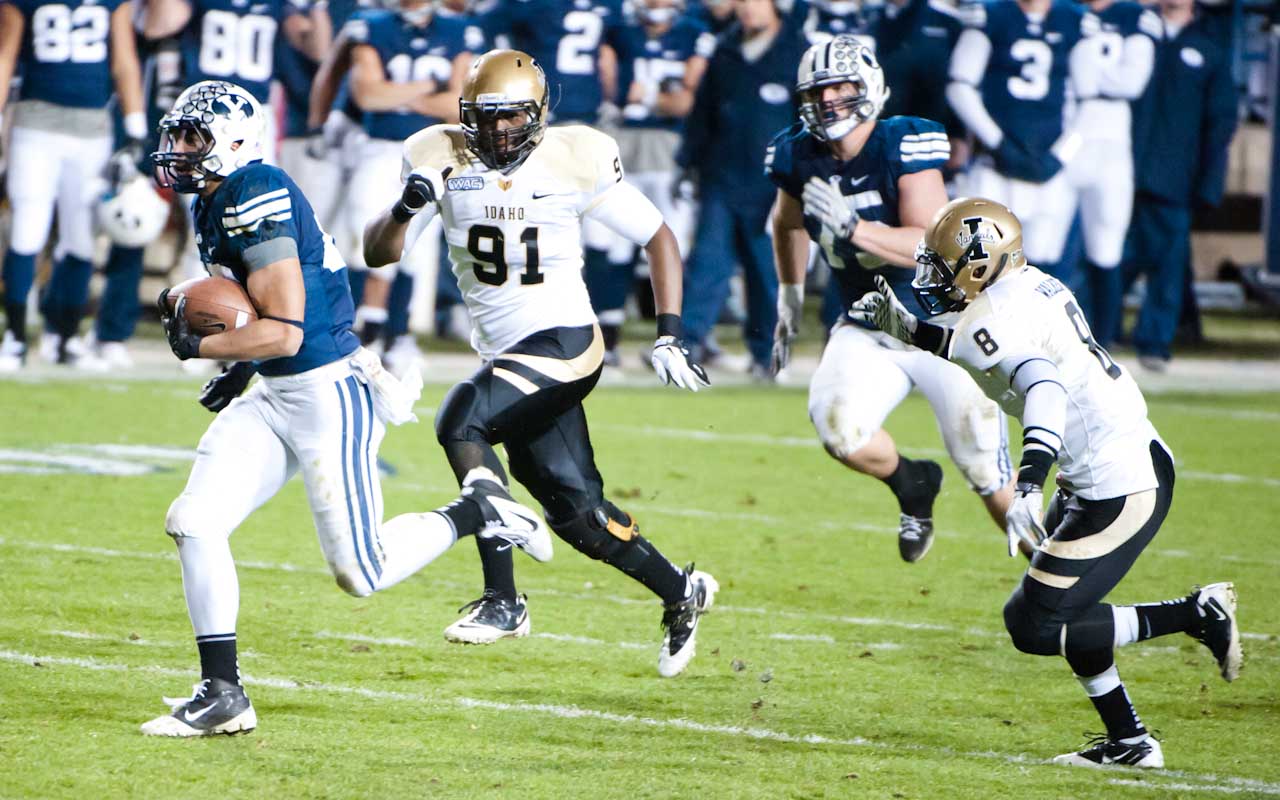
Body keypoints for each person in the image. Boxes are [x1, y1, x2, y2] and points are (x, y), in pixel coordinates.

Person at [140, 79, 551, 737]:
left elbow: (286, 330)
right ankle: (223, 693)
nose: (181, 149)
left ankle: (480, 509)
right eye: (179, 135)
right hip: (275, 392)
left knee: (362, 575)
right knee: (194, 520)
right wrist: (238, 363)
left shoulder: (254, 192)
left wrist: (202, 344)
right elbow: (264, 323)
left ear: (235, 141)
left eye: (194, 136)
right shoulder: (218, 199)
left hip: (329, 393)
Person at [363, 49, 719, 677]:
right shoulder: (436, 154)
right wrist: (407, 206)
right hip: (508, 356)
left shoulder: (573, 155)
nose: (500, 132)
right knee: (582, 518)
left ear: (539, 114)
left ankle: (504, 599)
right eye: (488, 118)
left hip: (564, 342)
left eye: (513, 117)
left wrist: (669, 334)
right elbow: (379, 255)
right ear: (467, 115)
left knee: (462, 420)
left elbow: (658, 236)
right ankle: (680, 591)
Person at [851, 196, 1242, 768]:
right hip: (1111, 465)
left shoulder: (993, 315)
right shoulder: (1031, 284)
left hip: (1121, 485)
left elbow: (1043, 388)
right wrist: (911, 330)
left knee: (1036, 624)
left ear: (981, 266)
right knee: (1050, 609)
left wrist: (1029, 484)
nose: (930, 274)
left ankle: (1195, 614)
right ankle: (1131, 742)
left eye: (944, 263)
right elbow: (988, 352)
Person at [767, 35, 1012, 562]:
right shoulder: (796, 154)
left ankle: (1061, 580)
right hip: (868, 324)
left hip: (944, 327)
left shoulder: (903, 142)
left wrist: (856, 228)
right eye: (818, 92)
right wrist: (789, 298)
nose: (830, 101)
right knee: (839, 429)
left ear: (870, 87)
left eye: (841, 88)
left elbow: (933, 242)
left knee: (986, 472)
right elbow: (786, 225)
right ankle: (913, 484)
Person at [0, 0, 145, 370]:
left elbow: (124, 59)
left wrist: (135, 124)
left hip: (92, 130)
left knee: (81, 236)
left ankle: (63, 337)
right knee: (27, 231)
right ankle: (14, 337)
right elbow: (6, 53)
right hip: (35, 125)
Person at [678, 0, 807, 379]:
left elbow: (808, 123)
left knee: (767, 271)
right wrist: (687, 160)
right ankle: (686, 344)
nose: (748, 9)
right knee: (706, 264)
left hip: (774, 184)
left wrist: (802, 177)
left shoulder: (798, 53)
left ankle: (767, 352)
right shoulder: (724, 48)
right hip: (722, 175)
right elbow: (703, 112)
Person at [589, 0, 715, 365]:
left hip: (669, 147)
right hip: (624, 142)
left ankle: (679, 336)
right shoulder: (619, 30)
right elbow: (610, 84)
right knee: (611, 243)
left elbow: (688, 100)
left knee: (671, 242)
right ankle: (606, 338)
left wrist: (645, 95)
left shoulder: (693, 32)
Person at [1119, 0, 1237, 370]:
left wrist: (1208, 183)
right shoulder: (1134, 35)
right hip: (1122, 173)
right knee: (1108, 262)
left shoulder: (1207, 48)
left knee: (1168, 266)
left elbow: (1220, 123)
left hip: (1174, 180)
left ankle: (1154, 342)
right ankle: (1093, 336)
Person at [945, 0, 1095, 280]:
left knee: (1041, 273)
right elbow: (959, 85)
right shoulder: (990, 16)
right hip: (994, 165)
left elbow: (1089, 100)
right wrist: (997, 143)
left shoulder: (1076, 21)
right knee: (980, 269)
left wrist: (1061, 155)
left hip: (1048, 164)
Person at [1064, 0, 1157, 348]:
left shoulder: (1135, 17)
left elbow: (1131, 82)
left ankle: (1104, 337)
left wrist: (1084, 76)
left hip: (1112, 143)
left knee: (1106, 247)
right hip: (1065, 139)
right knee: (1046, 242)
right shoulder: (1063, 12)